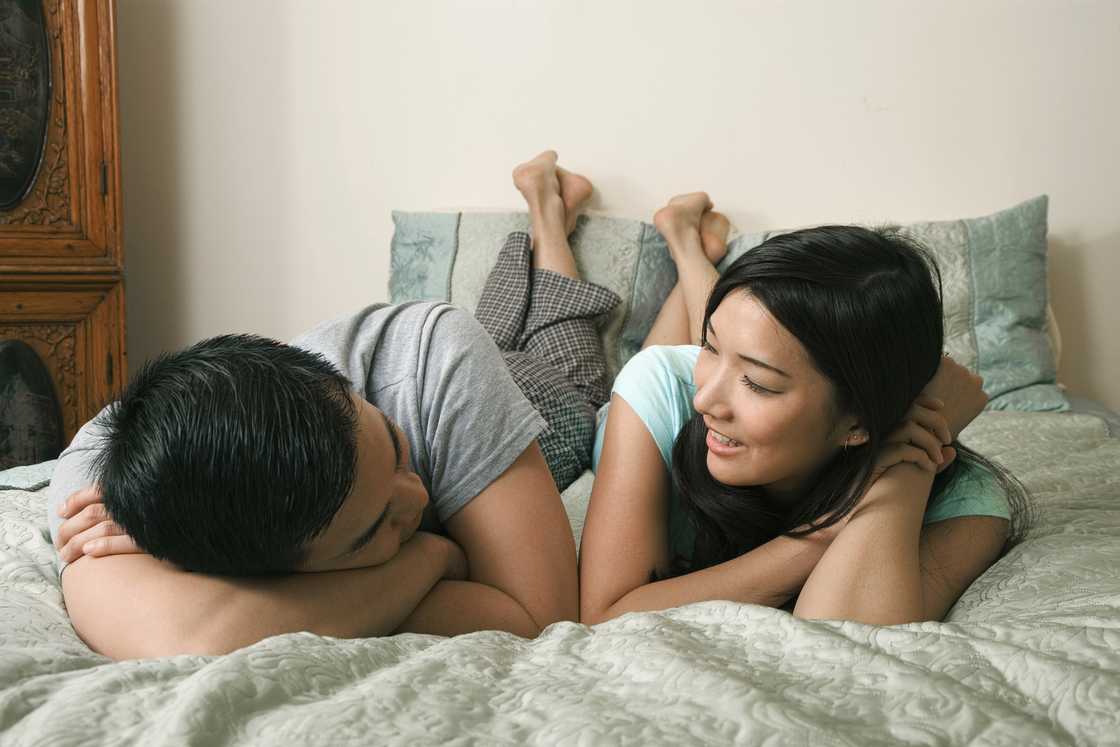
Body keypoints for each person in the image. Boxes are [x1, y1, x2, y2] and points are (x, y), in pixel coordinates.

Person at [48, 151, 618, 658]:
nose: (417, 495)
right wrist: (432, 558)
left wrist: (397, 558)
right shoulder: (105, 487)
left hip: (534, 399)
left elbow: (538, 616)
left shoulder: (435, 356)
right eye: (376, 531)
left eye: (395, 450)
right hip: (456, 390)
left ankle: (548, 215)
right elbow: (192, 638)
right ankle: (549, 208)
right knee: (507, 327)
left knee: (577, 381)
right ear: (265, 572)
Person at [579, 192, 1029, 626]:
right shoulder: (665, 392)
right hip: (644, 408)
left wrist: (902, 470)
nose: (705, 401)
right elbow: (605, 617)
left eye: (759, 384)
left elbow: (840, 641)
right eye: (709, 348)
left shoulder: (968, 502)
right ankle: (685, 244)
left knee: (745, 343)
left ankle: (695, 262)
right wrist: (827, 530)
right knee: (684, 356)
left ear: (857, 422)